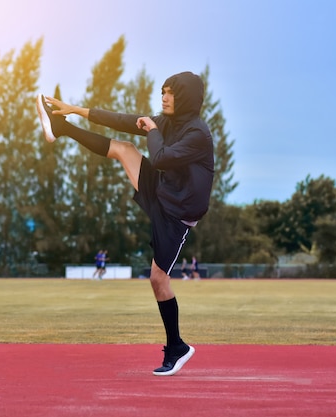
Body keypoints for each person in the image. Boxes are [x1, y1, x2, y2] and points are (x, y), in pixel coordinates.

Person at [36, 71, 214, 376]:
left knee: (158, 281)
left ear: (185, 97)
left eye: (170, 93)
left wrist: (153, 127)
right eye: (163, 92)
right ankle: (61, 127)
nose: (164, 97)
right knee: (123, 149)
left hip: (177, 215)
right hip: (162, 191)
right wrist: (75, 109)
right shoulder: (167, 122)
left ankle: (177, 347)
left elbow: (159, 156)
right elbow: (121, 120)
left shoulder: (198, 134)